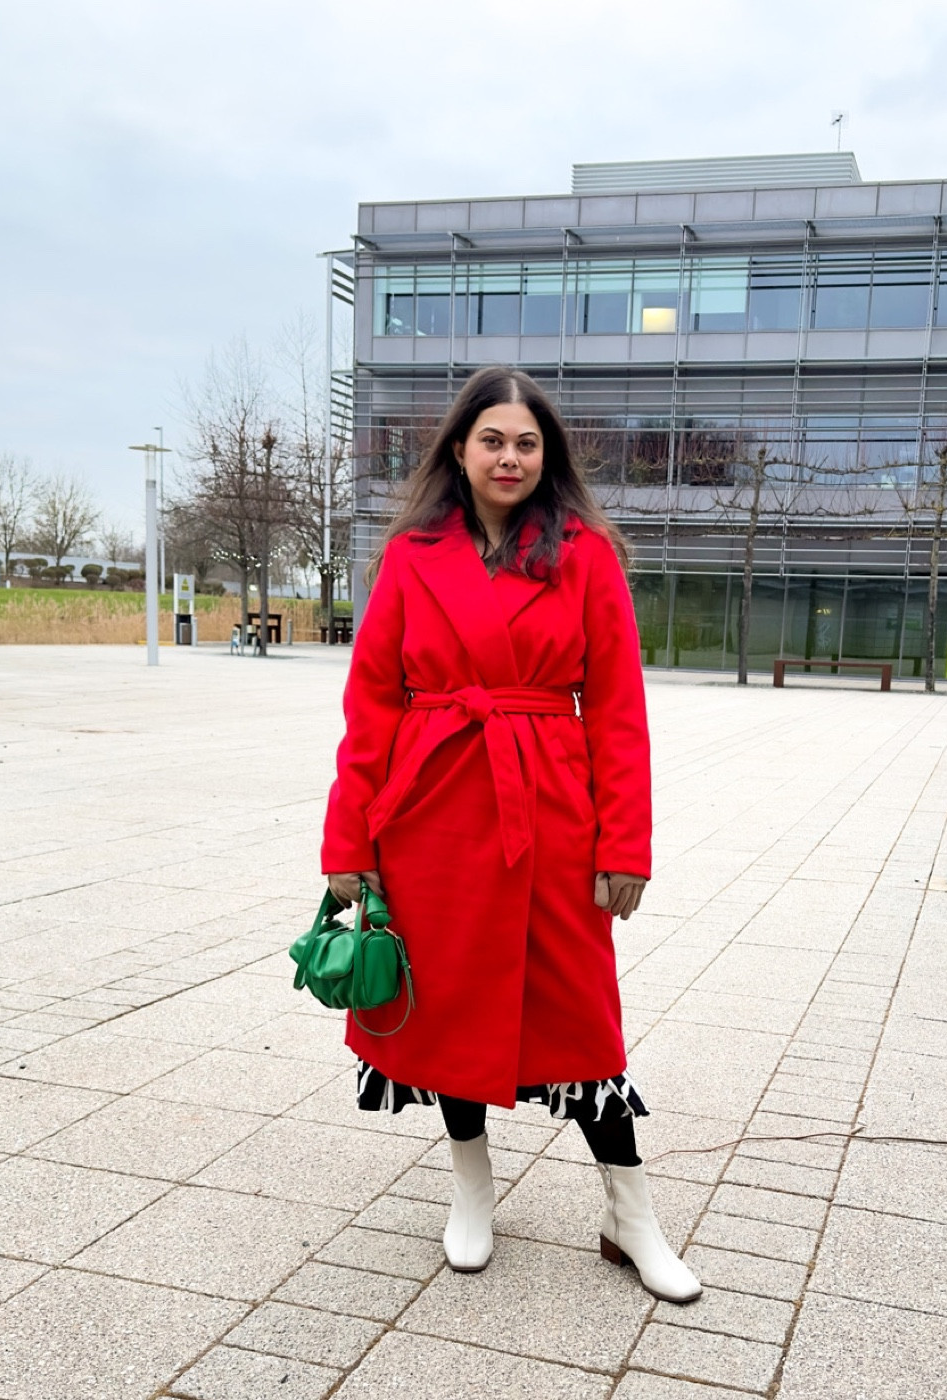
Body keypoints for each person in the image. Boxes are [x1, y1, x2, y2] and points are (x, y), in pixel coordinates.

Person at [321, 365, 700, 1304]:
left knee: (583, 1015)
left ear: (548, 456)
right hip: (432, 812)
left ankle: (631, 1210)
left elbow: (617, 709)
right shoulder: (409, 556)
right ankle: (473, 1188)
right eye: (493, 439)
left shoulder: (587, 555)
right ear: (460, 448)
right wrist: (349, 842)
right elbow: (369, 704)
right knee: (447, 1005)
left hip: (552, 811)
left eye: (527, 443)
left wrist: (625, 845)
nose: (510, 456)